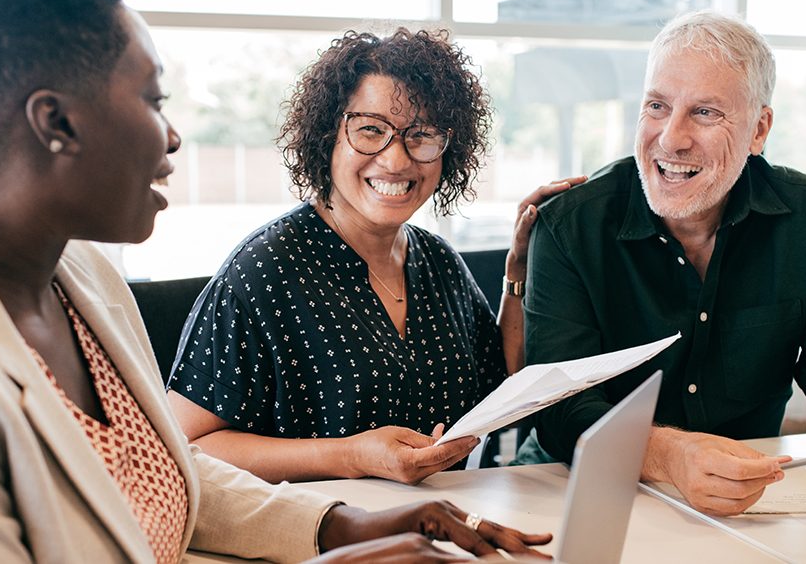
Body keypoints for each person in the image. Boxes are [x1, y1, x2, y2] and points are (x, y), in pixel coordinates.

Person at [0, 0, 554, 562]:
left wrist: (347, 526)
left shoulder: (79, 279)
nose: (173, 135)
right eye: (152, 100)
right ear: (58, 123)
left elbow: (170, 475)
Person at [516, 10, 806, 521]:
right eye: (657, 106)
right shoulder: (570, 225)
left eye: (706, 112)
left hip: (746, 501)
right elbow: (561, 407)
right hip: (575, 487)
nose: (671, 139)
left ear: (759, 129)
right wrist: (671, 456)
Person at [167, 27, 582, 484]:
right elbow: (187, 446)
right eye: (371, 130)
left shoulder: (437, 261)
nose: (397, 160)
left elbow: (501, 383)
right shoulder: (264, 271)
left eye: (420, 135)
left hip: (440, 525)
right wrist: (349, 456)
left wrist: (518, 271)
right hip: (319, 537)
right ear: (328, 137)